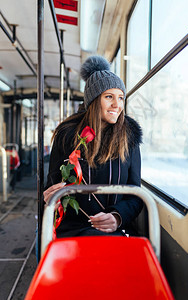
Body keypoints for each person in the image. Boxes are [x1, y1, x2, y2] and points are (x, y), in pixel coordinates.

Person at [44, 55, 143, 238]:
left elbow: (135, 193)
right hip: (73, 229)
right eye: (109, 97)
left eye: (121, 98)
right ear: (93, 100)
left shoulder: (129, 138)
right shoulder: (67, 135)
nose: (117, 104)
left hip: (114, 229)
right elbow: (52, 183)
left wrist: (117, 216)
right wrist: (51, 196)